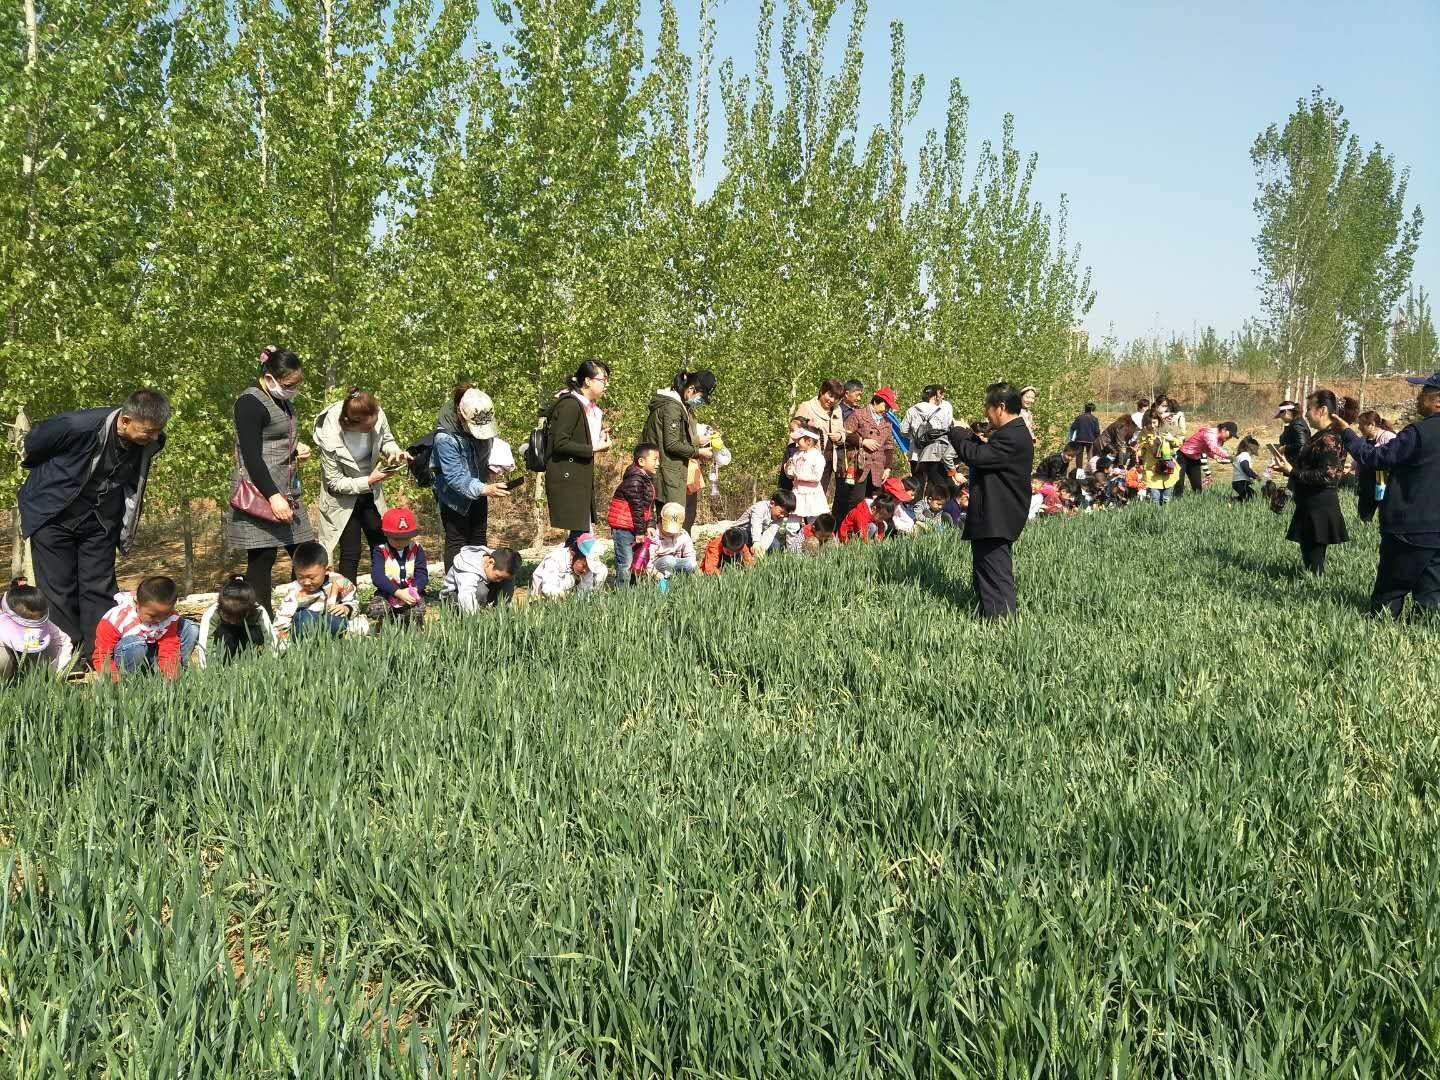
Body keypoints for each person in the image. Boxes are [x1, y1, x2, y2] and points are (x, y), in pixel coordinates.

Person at [19, 388, 170, 666]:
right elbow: (34, 443)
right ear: (125, 420)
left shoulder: (152, 440)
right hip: (53, 515)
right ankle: (68, 658)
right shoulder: (78, 426)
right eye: (148, 431)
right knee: (58, 589)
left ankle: (100, 656)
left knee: (99, 587)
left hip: (101, 520)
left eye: (157, 431)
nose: (154, 437)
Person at [1335, 372, 1440, 616]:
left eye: (1424, 392)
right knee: (1431, 595)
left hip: (1410, 527)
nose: (1418, 397)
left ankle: (1382, 628)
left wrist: (1348, 433)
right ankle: (1421, 632)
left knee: (1390, 591)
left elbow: (1377, 458)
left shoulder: (1418, 433)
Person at [230, 347, 314, 616]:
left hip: (288, 490)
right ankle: (262, 622)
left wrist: (296, 449)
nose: (294, 389)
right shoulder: (249, 403)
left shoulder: (281, 400)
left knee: (307, 554)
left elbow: (275, 439)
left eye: (297, 383)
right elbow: (252, 456)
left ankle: (304, 615)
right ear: (269, 378)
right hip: (260, 493)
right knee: (262, 557)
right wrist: (273, 496)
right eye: (289, 384)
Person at [949, 382, 1035, 619]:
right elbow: (987, 454)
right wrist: (968, 434)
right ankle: (987, 619)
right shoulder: (1013, 433)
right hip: (994, 516)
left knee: (996, 576)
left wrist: (958, 432)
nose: (986, 413)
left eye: (987, 407)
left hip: (998, 516)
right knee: (986, 572)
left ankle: (1002, 624)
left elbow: (977, 456)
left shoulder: (1012, 436)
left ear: (1001, 407)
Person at [312, 389, 408, 587]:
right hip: (342, 497)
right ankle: (348, 598)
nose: (374, 426)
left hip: (371, 491)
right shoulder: (330, 435)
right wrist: (368, 480)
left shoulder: (375, 414)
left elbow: (386, 439)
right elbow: (335, 482)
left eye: (375, 422)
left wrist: (394, 451)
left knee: (381, 542)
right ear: (354, 423)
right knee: (351, 550)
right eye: (369, 426)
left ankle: (388, 592)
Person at [1270, 391, 1353, 576]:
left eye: (1309, 409)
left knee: (1314, 563)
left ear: (1322, 410)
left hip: (1319, 505)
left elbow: (1327, 475)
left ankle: (1315, 587)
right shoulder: (1321, 436)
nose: (1305, 414)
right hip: (1311, 503)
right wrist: (1287, 468)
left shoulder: (1330, 438)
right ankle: (1311, 583)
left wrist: (1292, 471)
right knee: (1310, 556)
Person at [433, 385, 510, 572]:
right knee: (457, 541)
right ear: (461, 416)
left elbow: (487, 444)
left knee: (478, 539)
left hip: (479, 487)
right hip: (453, 497)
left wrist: (493, 464)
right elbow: (454, 476)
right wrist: (485, 489)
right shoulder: (444, 438)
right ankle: (454, 585)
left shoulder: (482, 415)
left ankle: (478, 580)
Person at [640, 370, 716, 531]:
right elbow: (672, 444)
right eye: (701, 397)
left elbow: (675, 437)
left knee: (669, 523)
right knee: (672, 524)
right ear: (691, 389)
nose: (700, 402)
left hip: (671, 471)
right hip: (668, 472)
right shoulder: (672, 408)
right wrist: (698, 452)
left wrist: (697, 441)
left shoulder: (680, 406)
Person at [546, 361, 613, 539]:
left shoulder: (587, 406)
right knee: (580, 536)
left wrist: (598, 438)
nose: (606, 384)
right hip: (568, 477)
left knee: (580, 535)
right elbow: (560, 443)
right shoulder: (570, 405)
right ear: (588, 381)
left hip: (579, 475)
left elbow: (578, 437)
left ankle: (575, 556)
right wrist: (594, 447)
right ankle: (572, 557)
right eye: (603, 380)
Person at [93, 576, 198, 679]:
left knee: (190, 628)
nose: (159, 620)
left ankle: (174, 673)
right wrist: (114, 681)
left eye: (166, 614)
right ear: (137, 604)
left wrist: (170, 677)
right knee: (136, 645)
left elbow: (169, 647)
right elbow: (102, 655)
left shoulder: (169, 618)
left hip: (152, 656)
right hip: (127, 658)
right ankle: (130, 679)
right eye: (153, 616)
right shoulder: (116, 619)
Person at [274, 541, 358, 639]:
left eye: (312, 577)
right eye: (300, 577)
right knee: (306, 618)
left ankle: (333, 640)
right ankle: (307, 642)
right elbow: (284, 615)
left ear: (327, 570)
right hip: (305, 624)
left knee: (336, 621)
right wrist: (281, 633)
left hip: (330, 621)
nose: (306, 582)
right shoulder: (295, 590)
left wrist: (347, 608)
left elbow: (354, 602)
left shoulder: (339, 581)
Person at [195, 577, 279, 668]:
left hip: (250, 643)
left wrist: (270, 664)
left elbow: (270, 639)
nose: (233, 621)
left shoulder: (259, 611)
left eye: (237, 616)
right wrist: (209, 668)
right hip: (225, 643)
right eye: (228, 616)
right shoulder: (212, 613)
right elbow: (205, 644)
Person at [607, 444, 660, 588]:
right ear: (641, 461)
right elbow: (637, 509)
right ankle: (622, 593)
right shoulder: (634, 481)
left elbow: (648, 506)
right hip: (624, 528)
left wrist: (650, 525)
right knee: (626, 562)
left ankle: (632, 590)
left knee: (636, 561)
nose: (657, 463)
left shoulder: (645, 479)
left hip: (634, 526)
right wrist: (640, 532)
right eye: (654, 459)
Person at [0, 577, 73, 680]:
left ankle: (32, 678)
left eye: (39, 618)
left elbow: (64, 642)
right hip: (7, 666)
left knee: (50, 647)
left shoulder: (43, 623)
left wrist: (56, 672)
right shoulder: (3, 621)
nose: (34, 622)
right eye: (29, 619)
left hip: (29, 667)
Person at [368, 507, 429, 630]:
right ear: (386, 534)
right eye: (396, 538)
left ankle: (410, 622)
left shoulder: (417, 549)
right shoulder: (380, 550)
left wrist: (414, 589)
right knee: (376, 609)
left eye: (405, 538)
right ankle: (387, 621)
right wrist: (397, 592)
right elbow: (377, 577)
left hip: (411, 592)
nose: (400, 542)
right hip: (387, 593)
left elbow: (422, 574)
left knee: (418, 609)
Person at [791, 379, 847, 508]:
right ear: (822, 391)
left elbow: (842, 431)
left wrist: (839, 436)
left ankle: (812, 521)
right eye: (830, 395)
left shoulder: (837, 410)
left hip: (827, 462)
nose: (832, 400)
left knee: (817, 499)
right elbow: (795, 432)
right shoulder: (807, 407)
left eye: (836, 398)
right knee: (801, 497)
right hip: (807, 461)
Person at [844, 388, 897, 507]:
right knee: (856, 500)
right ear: (876, 401)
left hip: (878, 467)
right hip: (860, 464)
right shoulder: (858, 414)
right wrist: (862, 441)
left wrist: (888, 467)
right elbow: (845, 433)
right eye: (885, 405)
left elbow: (889, 446)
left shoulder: (887, 422)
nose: (887, 409)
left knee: (874, 501)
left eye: (889, 407)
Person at [901, 385, 957, 498]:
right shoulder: (941, 411)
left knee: (917, 485)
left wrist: (915, 437)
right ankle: (930, 506)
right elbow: (945, 432)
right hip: (934, 454)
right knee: (934, 484)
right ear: (935, 396)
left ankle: (915, 506)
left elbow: (903, 431)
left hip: (915, 453)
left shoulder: (912, 410)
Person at [440, 545, 520, 612]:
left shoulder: (499, 560)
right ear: (490, 562)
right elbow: (466, 596)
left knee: (508, 580)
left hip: (482, 589)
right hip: (454, 596)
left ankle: (500, 610)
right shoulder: (469, 571)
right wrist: (475, 620)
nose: (500, 581)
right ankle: (476, 612)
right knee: (481, 590)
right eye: (498, 576)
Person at [532, 532, 608, 598]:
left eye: (589, 568)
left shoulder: (585, 569)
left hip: (566, 597)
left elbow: (586, 590)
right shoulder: (555, 559)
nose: (585, 570)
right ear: (574, 554)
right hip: (543, 597)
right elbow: (548, 588)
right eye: (584, 565)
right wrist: (564, 597)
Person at [1354, 411, 1398, 524]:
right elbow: (1360, 459)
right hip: (1366, 483)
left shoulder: (1389, 437)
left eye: (1361, 424)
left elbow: (1396, 456)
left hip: (1382, 480)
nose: (1359, 427)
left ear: (1372, 424)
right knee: (1363, 517)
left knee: (1385, 515)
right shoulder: (1363, 440)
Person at [1173, 421, 1237, 498]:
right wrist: (1229, 456)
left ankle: (1197, 502)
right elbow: (1214, 448)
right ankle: (1176, 500)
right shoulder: (1210, 434)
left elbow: (1207, 450)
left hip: (1195, 458)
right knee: (1179, 483)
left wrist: (1216, 458)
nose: (1230, 438)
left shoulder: (1218, 439)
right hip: (1183, 456)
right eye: (1230, 435)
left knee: (1197, 486)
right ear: (1224, 429)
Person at [1135, 410, 1180, 506]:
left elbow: (1177, 444)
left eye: (1154, 422)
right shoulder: (1143, 434)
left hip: (1168, 468)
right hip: (1152, 470)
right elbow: (1140, 451)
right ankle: (1156, 515)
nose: (1152, 425)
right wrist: (1138, 452)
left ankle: (1166, 514)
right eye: (1149, 423)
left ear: (1159, 421)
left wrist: (1171, 439)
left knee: (1166, 499)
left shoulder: (1165, 430)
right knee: (1155, 499)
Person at [785, 427, 829, 520]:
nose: (797, 443)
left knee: (813, 521)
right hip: (797, 492)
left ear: (809, 441)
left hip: (812, 494)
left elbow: (817, 477)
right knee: (792, 522)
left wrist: (799, 476)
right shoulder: (797, 455)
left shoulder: (817, 457)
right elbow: (791, 473)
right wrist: (788, 469)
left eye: (799, 440)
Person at [650, 503, 698, 580]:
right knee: (669, 560)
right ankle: (664, 578)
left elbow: (690, 555)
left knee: (691, 563)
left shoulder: (683, 534)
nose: (671, 533)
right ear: (661, 520)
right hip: (658, 565)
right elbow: (648, 560)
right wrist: (655, 573)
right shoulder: (654, 534)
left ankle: (678, 579)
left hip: (675, 563)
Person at [742, 490, 797, 556]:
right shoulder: (760, 507)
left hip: (757, 536)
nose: (782, 516)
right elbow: (756, 524)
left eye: (785, 514)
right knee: (742, 536)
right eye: (781, 512)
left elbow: (769, 534)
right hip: (742, 531)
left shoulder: (779, 518)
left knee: (775, 544)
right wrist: (756, 542)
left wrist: (761, 550)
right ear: (772, 503)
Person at [1275, 400, 1309, 472]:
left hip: (1299, 467)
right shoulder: (1295, 423)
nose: (1281, 418)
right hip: (1296, 465)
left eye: (1281, 415)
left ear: (1286, 412)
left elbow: (1302, 444)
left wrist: (1285, 447)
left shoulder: (1297, 425)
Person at [1230, 437, 1262, 502]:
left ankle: (1233, 500)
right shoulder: (1245, 455)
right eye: (1257, 447)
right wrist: (1255, 476)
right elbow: (1245, 468)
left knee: (1247, 496)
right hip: (1241, 483)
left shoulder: (1242, 455)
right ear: (1251, 447)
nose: (1257, 449)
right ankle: (1233, 500)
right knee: (1252, 496)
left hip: (1238, 482)